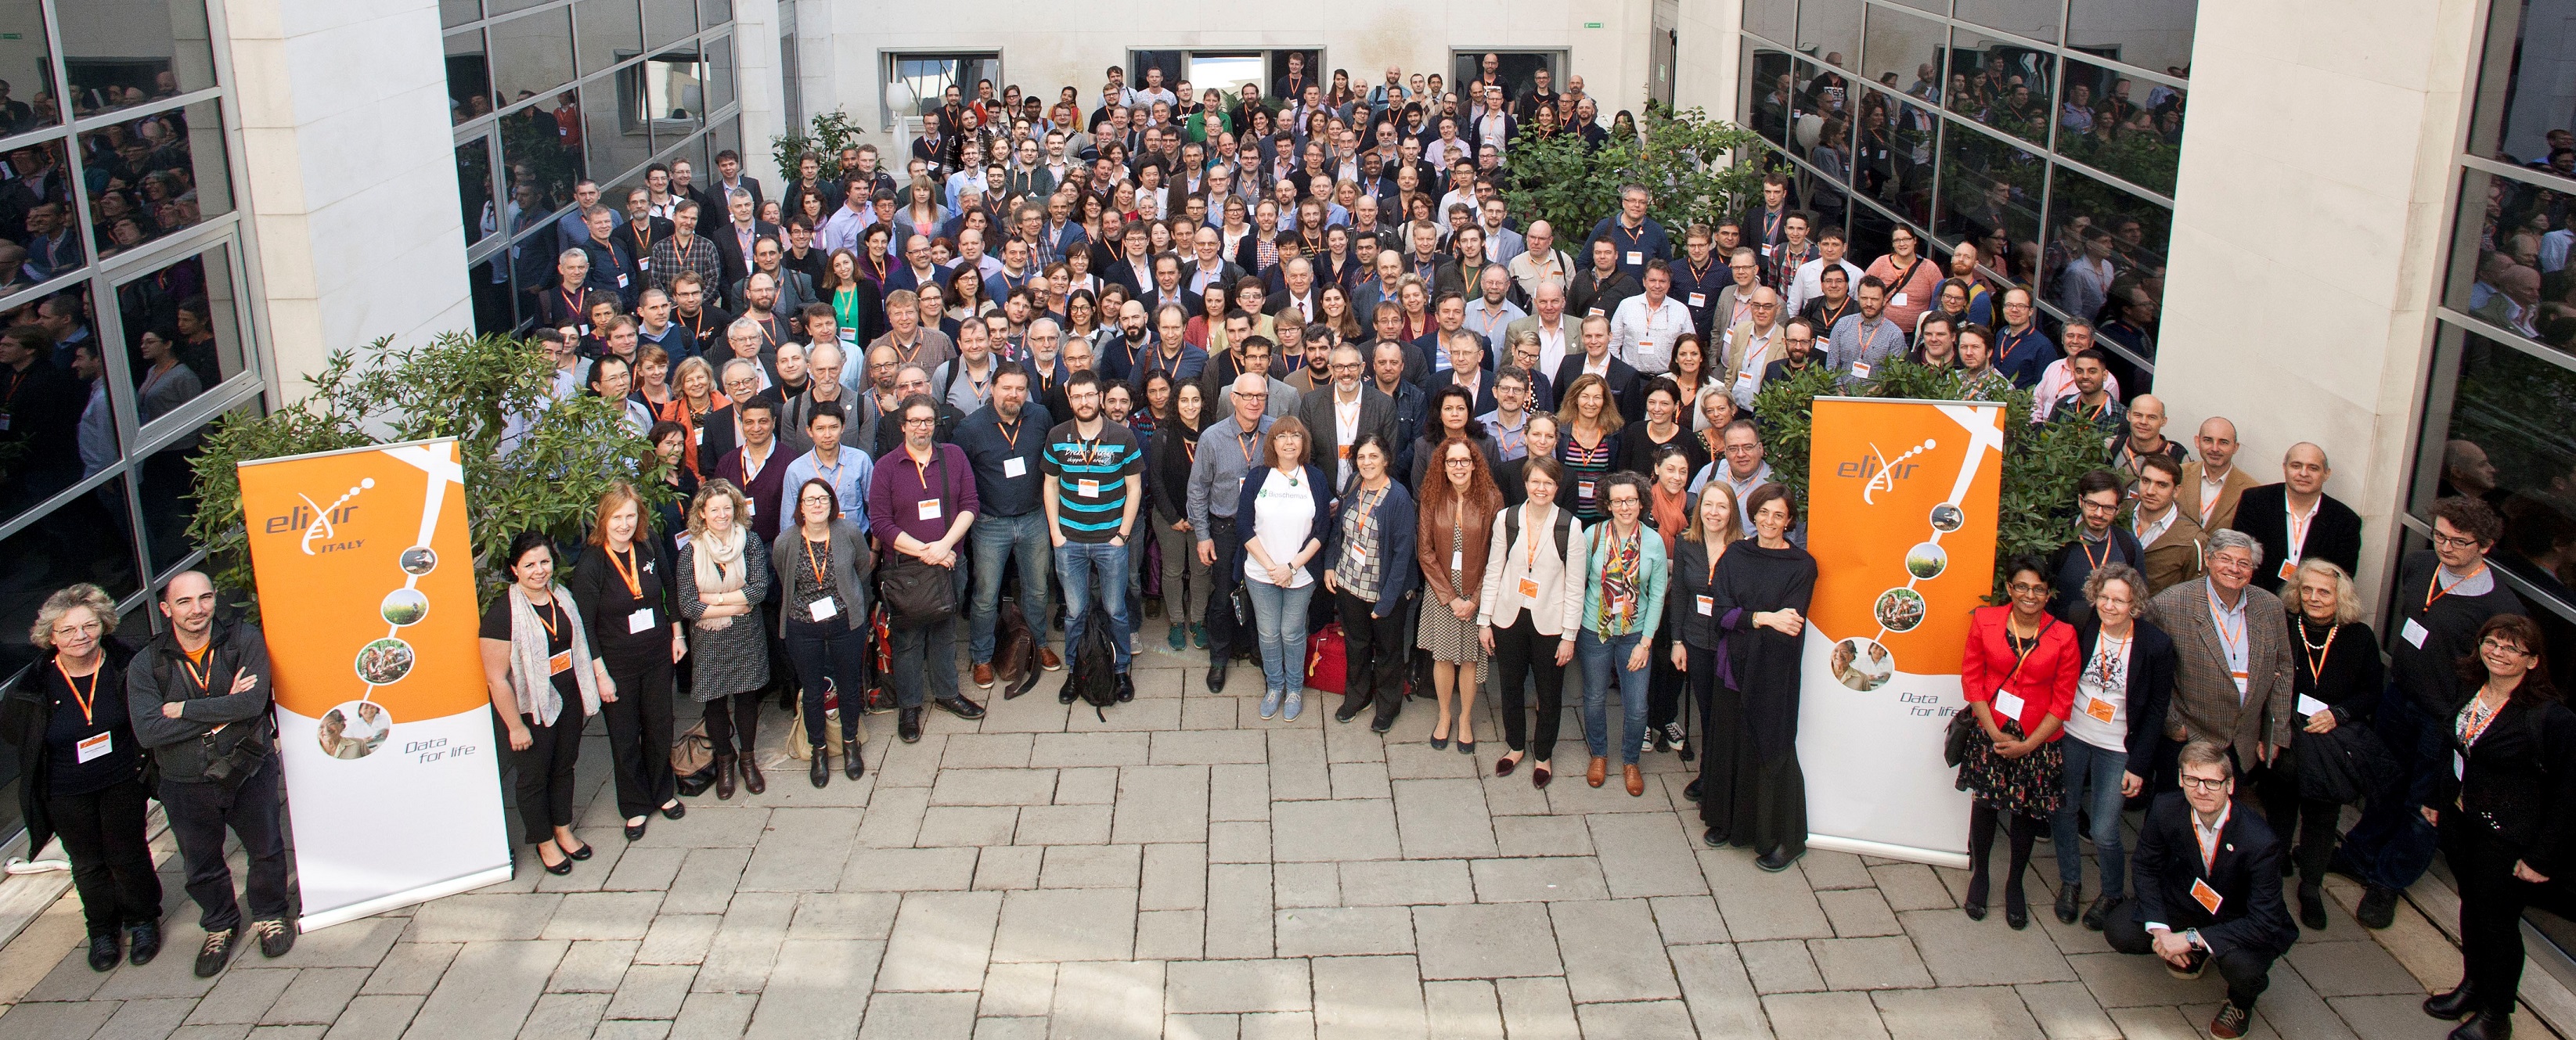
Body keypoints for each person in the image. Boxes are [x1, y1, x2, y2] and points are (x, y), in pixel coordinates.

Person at [2341, 496, 2526, 929]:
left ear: (2486, 546)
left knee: (2424, 805)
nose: (2446, 547)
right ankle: (2359, 856)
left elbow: (2499, 671)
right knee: (2383, 782)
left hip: (2443, 719)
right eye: (2440, 535)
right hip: (2398, 698)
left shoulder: (2500, 608)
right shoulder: (2420, 565)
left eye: (2459, 542)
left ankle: (2389, 881)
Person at [128, 570, 293, 975]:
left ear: (214, 599)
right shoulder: (146, 664)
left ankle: (271, 914)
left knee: (267, 847)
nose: (197, 610)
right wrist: (225, 705)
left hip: (247, 768)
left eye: (204, 598)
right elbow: (149, 731)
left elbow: (252, 705)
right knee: (200, 862)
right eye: (184, 602)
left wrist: (183, 709)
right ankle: (220, 924)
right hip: (184, 782)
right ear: (166, 609)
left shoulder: (243, 640)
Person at [2422, 615, 2576, 1040]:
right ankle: (2473, 986)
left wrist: (2541, 857)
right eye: (2493, 642)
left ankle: (2496, 1015)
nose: (2498, 652)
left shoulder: (2551, 718)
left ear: (2532, 661)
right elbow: (2454, 750)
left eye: (2513, 648)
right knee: (2471, 906)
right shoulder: (2471, 688)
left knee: (2499, 923)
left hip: (2506, 838)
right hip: (2460, 821)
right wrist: (2438, 800)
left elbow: (2568, 795)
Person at [6, 584, 160, 972]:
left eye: (88, 626)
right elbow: (17, 731)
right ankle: (102, 931)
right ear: (50, 636)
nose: (80, 637)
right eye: (68, 630)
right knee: (88, 862)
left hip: (122, 777)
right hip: (65, 789)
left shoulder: (129, 665)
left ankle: (142, 921)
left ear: (103, 626)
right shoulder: (31, 686)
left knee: (128, 853)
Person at [2104, 741, 2299, 1040]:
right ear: (2181, 780)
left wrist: (2191, 938)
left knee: (2243, 968)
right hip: (2188, 901)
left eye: (2212, 782)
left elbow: (2264, 920)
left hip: (2240, 917)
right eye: (2192, 780)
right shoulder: (2166, 808)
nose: (2202, 790)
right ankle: (2195, 951)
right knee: (2120, 929)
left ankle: (2240, 1004)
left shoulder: (2260, 841)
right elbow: (2145, 866)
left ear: (2230, 785)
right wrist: (2161, 931)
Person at [1956, 558, 2078, 930]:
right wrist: (1993, 732)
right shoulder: (1985, 621)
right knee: (1986, 806)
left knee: (2026, 813)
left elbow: (2063, 700)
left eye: (2038, 589)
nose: (2030, 595)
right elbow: (1972, 677)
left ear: (2048, 593)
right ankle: (1981, 877)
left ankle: (2014, 885)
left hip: (2037, 738)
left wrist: (2029, 745)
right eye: (2022, 587)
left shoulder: (2064, 634)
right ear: (2009, 588)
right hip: (1991, 727)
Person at [478, 534, 609, 879]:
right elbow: (497, 679)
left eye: (545, 562)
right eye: (530, 565)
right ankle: (543, 840)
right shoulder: (502, 614)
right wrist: (516, 727)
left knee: (564, 765)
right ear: (514, 569)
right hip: (528, 708)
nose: (539, 571)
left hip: (567, 696)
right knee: (534, 776)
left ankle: (563, 829)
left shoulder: (562, 597)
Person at [2055, 563, 2175, 930]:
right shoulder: (2082, 623)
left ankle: (2111, 893)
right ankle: (2071, 882)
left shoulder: (2156, 644)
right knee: (2063, 811)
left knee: (2106, 829)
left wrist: (2139, 766)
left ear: (2135, 605)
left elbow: (2157, 710)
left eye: (2119, 601)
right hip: (2073, 733)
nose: (2109, 606)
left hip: (2118, 746)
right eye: (2104, 597)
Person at [2266, 559, 2384, 931]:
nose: (2314, 598)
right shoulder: (2281, 626)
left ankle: (2311, 887)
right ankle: (2275, 864)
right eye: (2307, 590)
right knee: (2281, 803)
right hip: (2286, 734)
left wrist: (2340, 713)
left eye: (2324, 592)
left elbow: (2372, 692)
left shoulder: (2358, 636)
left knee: (2321, 815)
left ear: (2340, 596)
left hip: (2330, 741)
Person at [1701, 484, 1814, 867]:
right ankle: (1727, 822)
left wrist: (1745, 620)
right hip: (1733, 667)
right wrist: (1764, 617)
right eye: (1763, 513)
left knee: (1772, 748)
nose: (1769, 521)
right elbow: (1721, 615)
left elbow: (1792, 623)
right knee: (1729, 742)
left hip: (1773, 672)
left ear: (1790, 521)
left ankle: (1784, 838)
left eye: (1778, 515)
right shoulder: (1736, 554)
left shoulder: (1802, 565)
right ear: (1753, 514)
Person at [565, 485, 688, 838]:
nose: (624, 524)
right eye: (617, 517)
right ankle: (635, 806)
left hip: (656, 654)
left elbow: (669, 588)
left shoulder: (647, 547)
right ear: (604, 519)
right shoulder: (591, 563)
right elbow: (584, 624)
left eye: (630, 516)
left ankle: (663, 792)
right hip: (616, 664)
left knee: (660, 725)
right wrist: (599, 674)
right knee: (624, 734)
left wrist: (678, 635)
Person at [867, 394, 984, 737]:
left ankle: (947, 694)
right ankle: (909, 706)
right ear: (902, 426)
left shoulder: (954, 456)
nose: (923, 427)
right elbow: (881, 524)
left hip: (950, 561)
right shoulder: (886, 466)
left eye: (928, 421)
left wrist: (945, 547)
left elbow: (970, 504)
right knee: (908, 639)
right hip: (906, 569)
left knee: (945, 632)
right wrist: (926, 552)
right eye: (915, 421)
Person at [1044, 371, 1146, 701]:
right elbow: (1050, 484)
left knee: (1116, 609)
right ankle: (1076, 671)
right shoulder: (1057, 435)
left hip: (1110, 540)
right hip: (1069, 540)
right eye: (1077, 396)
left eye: (1090, 395)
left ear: (1100, 398)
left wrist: (1123, 534)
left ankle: (1120, 671)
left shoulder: (1122, 437)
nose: (1084, 402)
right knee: (1075, 612)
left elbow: (1134, 487)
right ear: (1069, 398)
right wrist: (1056, 534)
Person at [771, 477, 874, 784]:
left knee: (848, 683)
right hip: (803, 625)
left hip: (845, 622)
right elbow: (783, 574)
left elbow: (862, 567)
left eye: (823, 499)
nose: (817, 505)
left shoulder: (849, 533)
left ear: (832, 504)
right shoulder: (786, 541)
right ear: (800, 507)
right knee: (813, 690)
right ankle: (818, 749)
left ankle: (850, 743)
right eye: (810, 500)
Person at [675, 480, 771, 798]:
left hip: (745, 634)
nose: (722, 515)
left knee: (745, 698)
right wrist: (733, 601)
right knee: (714, 702)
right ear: (701, 513)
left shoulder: (751, 542)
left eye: (727, 508)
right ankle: (725, 761)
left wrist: (712, 600)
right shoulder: (690, 550)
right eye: (714, 509)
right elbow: (688, 604)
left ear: (736, 510)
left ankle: (748, 760)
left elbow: (757, 592)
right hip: (708, 639)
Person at [1576, 473, 1668, 797]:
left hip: (1635, 635)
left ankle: (1631, 761)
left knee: (1638, 705)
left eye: (1631, 500)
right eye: (1617, 501)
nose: (1625, 507)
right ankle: (1599, 755)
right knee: (1595, 697)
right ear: (1608, 504)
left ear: (1641, 502)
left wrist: (1646, 642)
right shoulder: (1593, 536)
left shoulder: (1653, 542)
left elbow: (1657, 596)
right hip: (1594, 631)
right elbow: (1579, 581)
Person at [1235, 416, 1331, 718]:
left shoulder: (1315, 477)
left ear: (1304, 443)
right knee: (1268, 633)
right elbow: (1243, 526)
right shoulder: (1258, 476)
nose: (1289, 442)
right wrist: (1272, 568)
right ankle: (1274, 686)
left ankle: (1294, 689)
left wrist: (1290, 567)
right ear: (1272, 443)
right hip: (1260, 573)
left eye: (1296, 436)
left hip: (1301, 573)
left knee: (1291, 631)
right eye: (1282, 436)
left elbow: (1322, 530)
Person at [1322, 434, 1419, 730]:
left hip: (1384, 590)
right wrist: (1330, 566)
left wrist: (1388, 600)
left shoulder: (1399, 498)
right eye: (1361, 457)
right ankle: (1358, 696)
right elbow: (1339, 530)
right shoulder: (1354, 485)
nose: (1366, 463)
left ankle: (1388, 705)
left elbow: (1403, 554)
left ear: (1386, 460)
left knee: (1389, 651)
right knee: (1357, 644)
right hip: (1350, 583)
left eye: (1373, 457)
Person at [1189, 372, 1276, 693]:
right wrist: (1202, 535)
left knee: (1264, 595)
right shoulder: (1213, 438)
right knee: (1223, 597)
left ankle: (1262, 655)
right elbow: (1197, 489)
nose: (1255, 402)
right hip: (1224, 529)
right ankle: (1219, 659)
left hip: (1266, 530)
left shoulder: (1276, 432)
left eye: (1261, 396)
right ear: (1233, 398)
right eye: (1248, 396)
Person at [1418, 435, 1502, 750]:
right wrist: (1450, 597)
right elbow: (1425, 551)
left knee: (1469, 660)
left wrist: (1475, 599)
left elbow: (1497, 554)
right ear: (1443, 465)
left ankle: (1465, 717)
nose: (1458, 466)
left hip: (1476, 590)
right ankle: (1444, 715)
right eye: (1451, 461)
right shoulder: (1432, 496)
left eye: (1464, 460)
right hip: (1442, 589)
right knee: (1442, 658)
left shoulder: (1492, 498)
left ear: (1474, 463)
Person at [1670, 482, 1740, 797]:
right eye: (1708, 505)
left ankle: (1726, 776)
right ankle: (1708, 773)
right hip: (1696, 640)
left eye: (1722, 506)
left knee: (1728, 713)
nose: (1714, 513)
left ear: (1732, 512)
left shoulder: (1743, 548)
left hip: (1731, 643)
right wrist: (1677, 642)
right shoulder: (1686, 544)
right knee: (1707, 711)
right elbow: (1682, 596)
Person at [2228, 442, 2363, 596]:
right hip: (2256, 599)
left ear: (2327, 473)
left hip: (2311, 607)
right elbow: (2239, 556)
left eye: (2313, 468)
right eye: (2296, 466)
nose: (2304, 473)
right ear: (2285, 468)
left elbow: (2342, 578)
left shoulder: (2346, 520)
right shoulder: (2255, 501)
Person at [1153, 380, 1214, 651]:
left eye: (1195, 400)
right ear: (1176, 404)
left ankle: (1198, 620)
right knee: (1173, 570)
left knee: (1202, 570)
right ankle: (1177, 621)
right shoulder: (1164, 434)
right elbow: (1155, 480)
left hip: (1204, 517)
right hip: (1170, 517)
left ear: (1203, 402)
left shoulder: (1214, 433)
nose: (1190, 406)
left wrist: (1198, 518)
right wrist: (1175, 517)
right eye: (1184, 400)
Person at [2129, 455, 2207, 596]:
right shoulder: (2119, 512)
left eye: (2161, 485)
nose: (2150, 491)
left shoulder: (2193, 539)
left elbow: (2197, 594)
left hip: (2157, 615)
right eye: (2146, 481)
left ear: (2176, 491)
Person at [1555, 372, 1624, 522]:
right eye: (1585, 396)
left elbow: (1616, 475)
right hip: (1566, 516)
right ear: (1575, 399)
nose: (1591, 403)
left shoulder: (1613, 434)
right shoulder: (1561, 431)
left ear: (1605, 401)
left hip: (1601, 517)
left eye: (1597, 397)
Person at [2181, 417, 2257, 533]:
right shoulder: (2178, 475)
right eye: (2208, 440)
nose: (2215, 449)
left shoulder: (2252, 490)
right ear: (2197, 441)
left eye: (2223, 442)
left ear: (2235, 447)